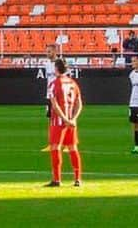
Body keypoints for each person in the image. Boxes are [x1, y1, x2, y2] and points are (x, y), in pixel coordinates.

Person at [45, 57, 82, 189]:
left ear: (56, 68)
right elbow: (79, 104)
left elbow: (54, 105)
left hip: (59, 121)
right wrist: (73, 119)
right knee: (73, 148)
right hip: (71, 122)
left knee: (55, 148)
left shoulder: (54, 84)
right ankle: (78, 179)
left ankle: (57, 179)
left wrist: (65, 120)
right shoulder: (73, 83)